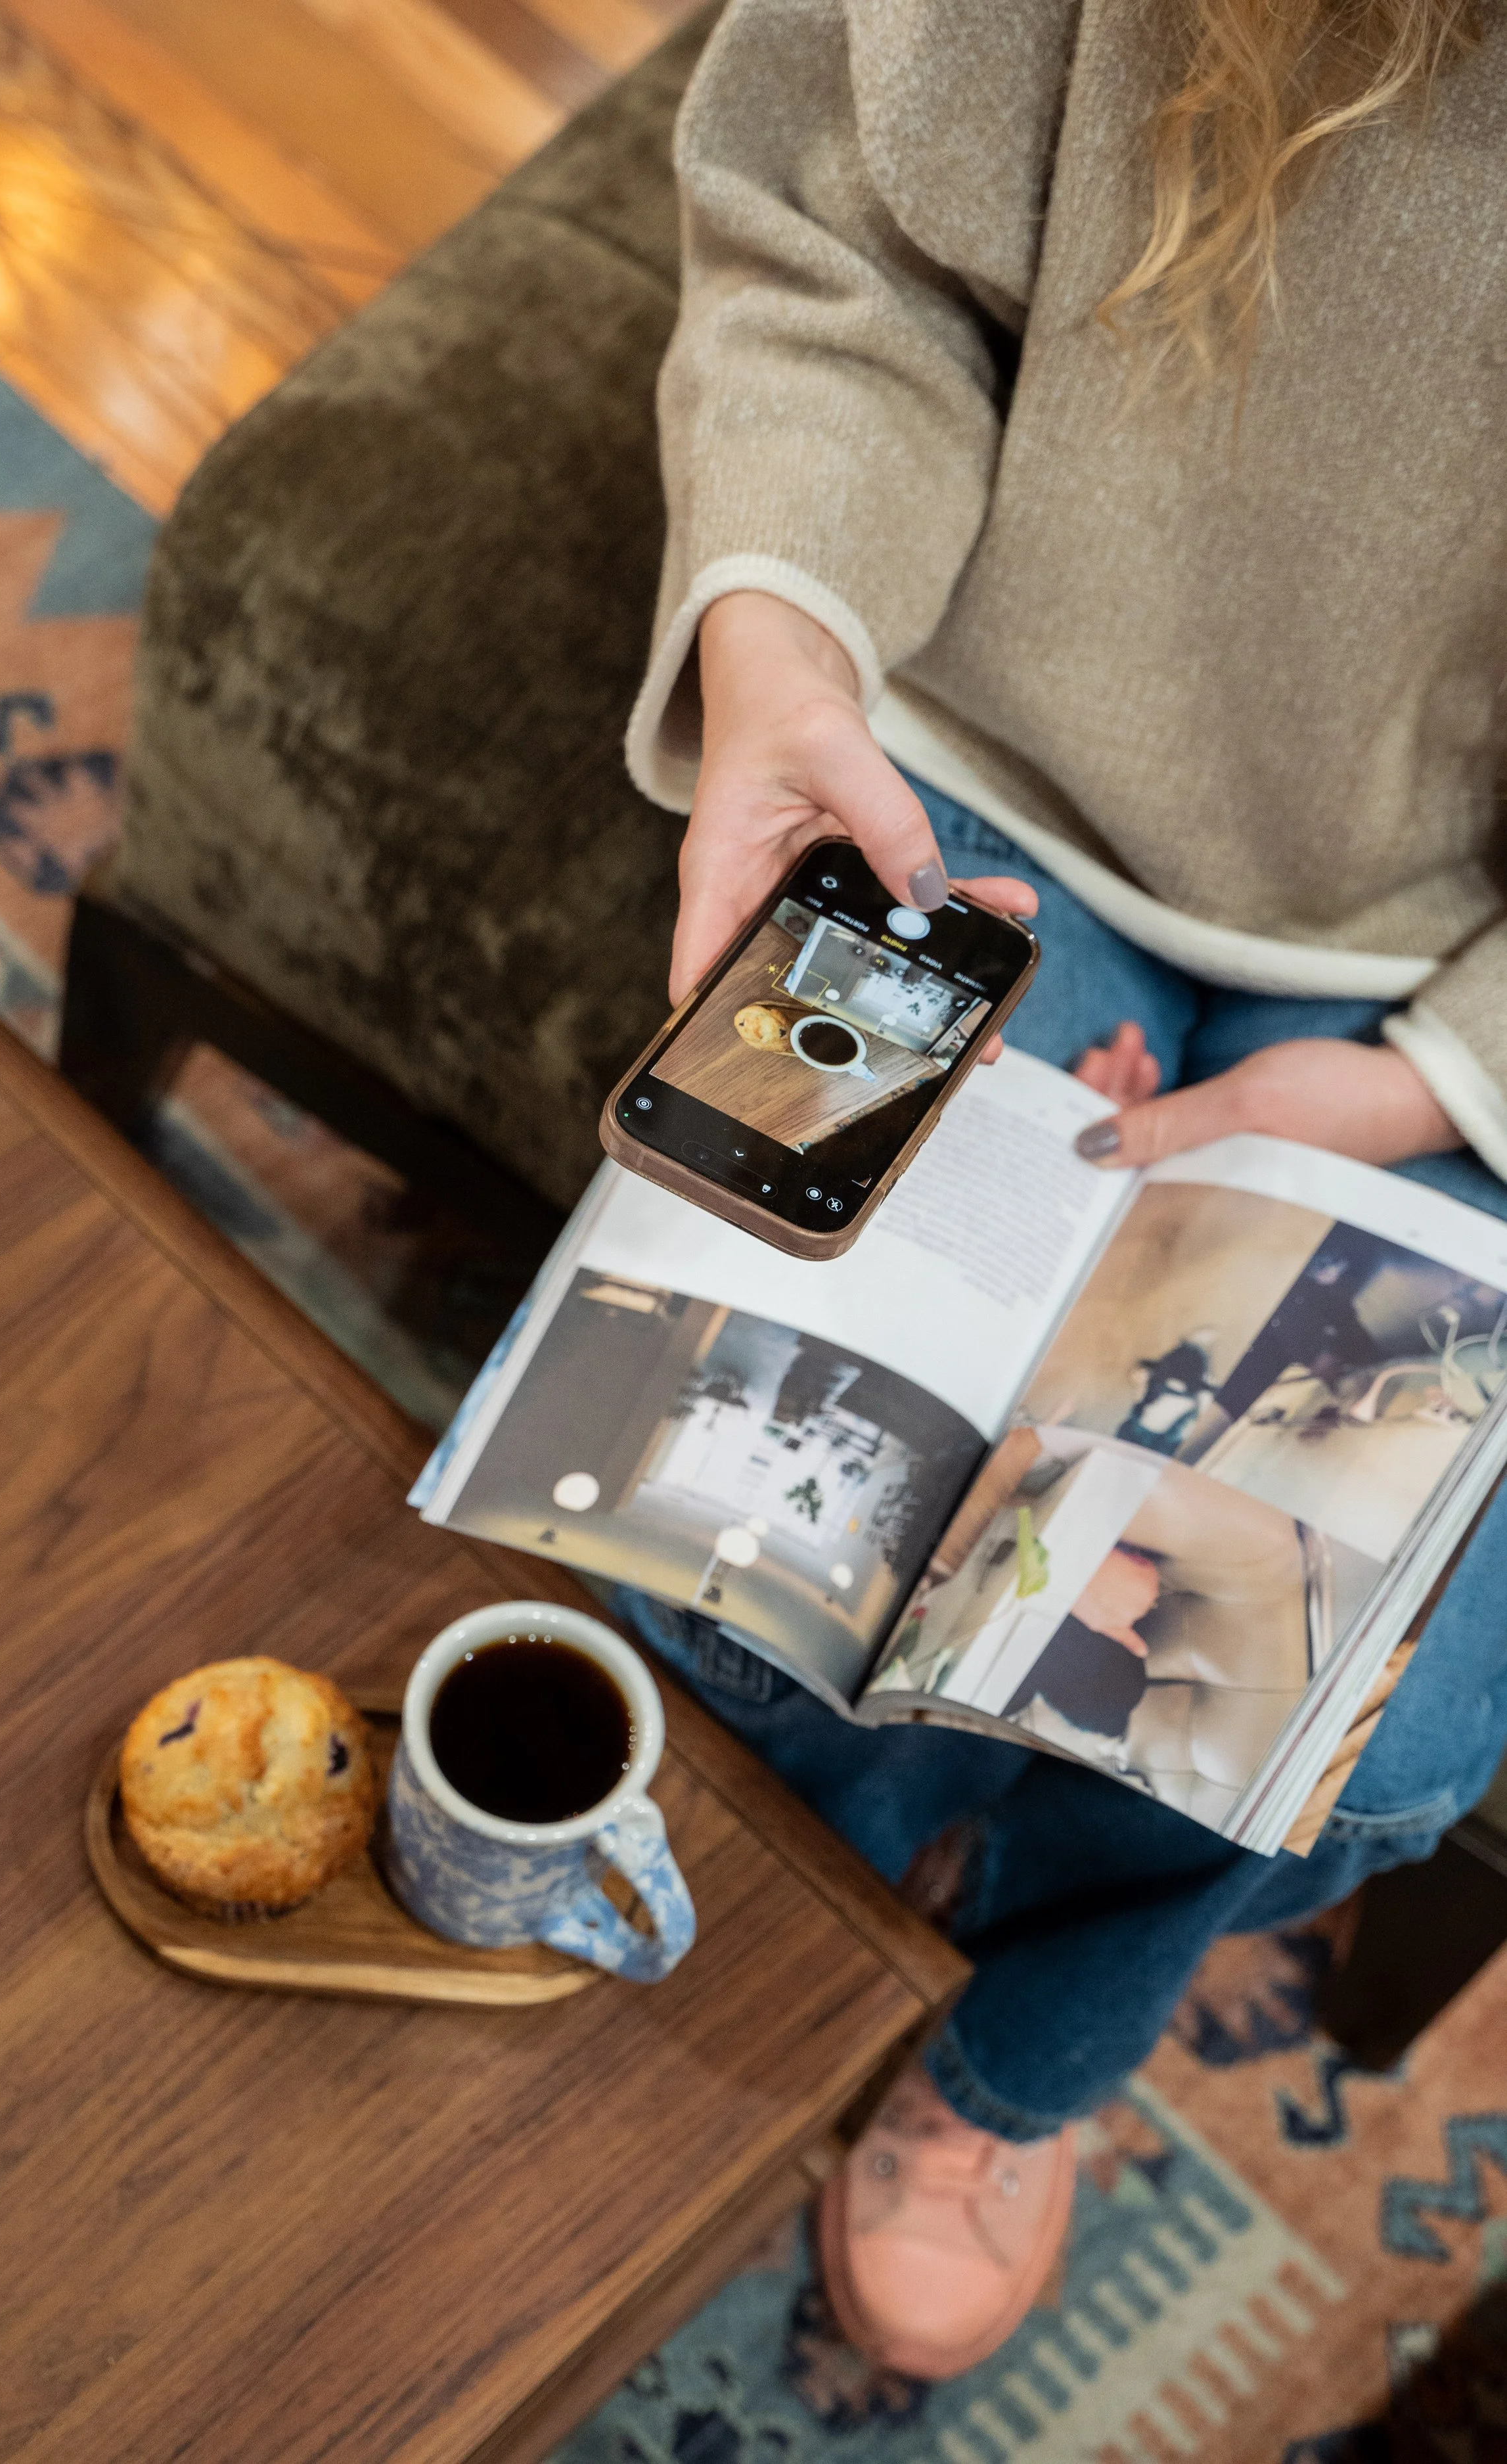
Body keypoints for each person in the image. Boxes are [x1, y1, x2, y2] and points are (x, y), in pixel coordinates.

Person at [613, 0, 1507, 2384]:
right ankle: (753, 1844)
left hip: (1471, 993)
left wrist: (1435, 1078)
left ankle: (1014, 2059)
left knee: (1361, 1724)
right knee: (765, 1428)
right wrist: (778, 640)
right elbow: (835, 244)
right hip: (966, 745)